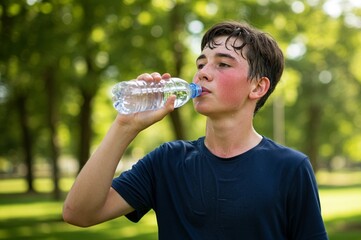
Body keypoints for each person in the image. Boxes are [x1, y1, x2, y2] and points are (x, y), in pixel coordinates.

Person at [63, 21, 328, 239]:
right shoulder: (166, 161)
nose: (202, 73)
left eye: (222, 64)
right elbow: (79, 213)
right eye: (201, 64)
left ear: (258, 87)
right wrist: (124, 126)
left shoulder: (291, 168)